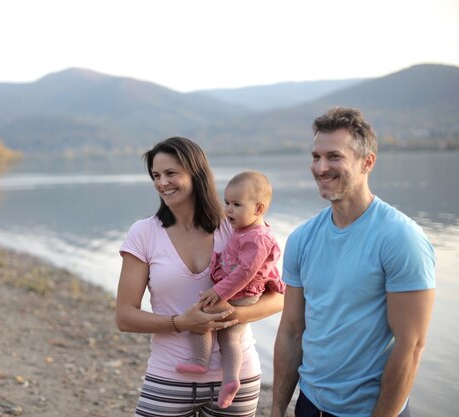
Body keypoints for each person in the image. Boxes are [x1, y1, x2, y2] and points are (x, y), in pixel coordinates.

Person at [270, 107, 436, 417]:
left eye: (334, 156)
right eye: (316, 156)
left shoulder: (400, 238)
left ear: (367, 162)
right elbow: (292, 330)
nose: (321, 168)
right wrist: (278, 407)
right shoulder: (302, 238)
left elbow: (410, 346)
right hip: (309, 405)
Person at [116, 137, 284, 417]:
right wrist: (183, 322)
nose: (162, 183)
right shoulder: (143, 233)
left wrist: (231, 315)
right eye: (156, 176)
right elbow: (124, 316)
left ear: (197, 174)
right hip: (170, 375)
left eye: (171, 173)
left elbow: (279, 297)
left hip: (237, 377)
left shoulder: (237, 227)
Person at [176, 170, 286, 409]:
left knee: (204, 314)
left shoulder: (258, 237)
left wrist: (219, 293)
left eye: (236, 205)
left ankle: (200, 360)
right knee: (229, 337)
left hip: (240, 293)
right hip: (238, 291)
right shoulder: (245, 230)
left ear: (258, 209)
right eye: (227, 203)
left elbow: (246, 272)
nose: (228, 210)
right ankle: (230, 381)